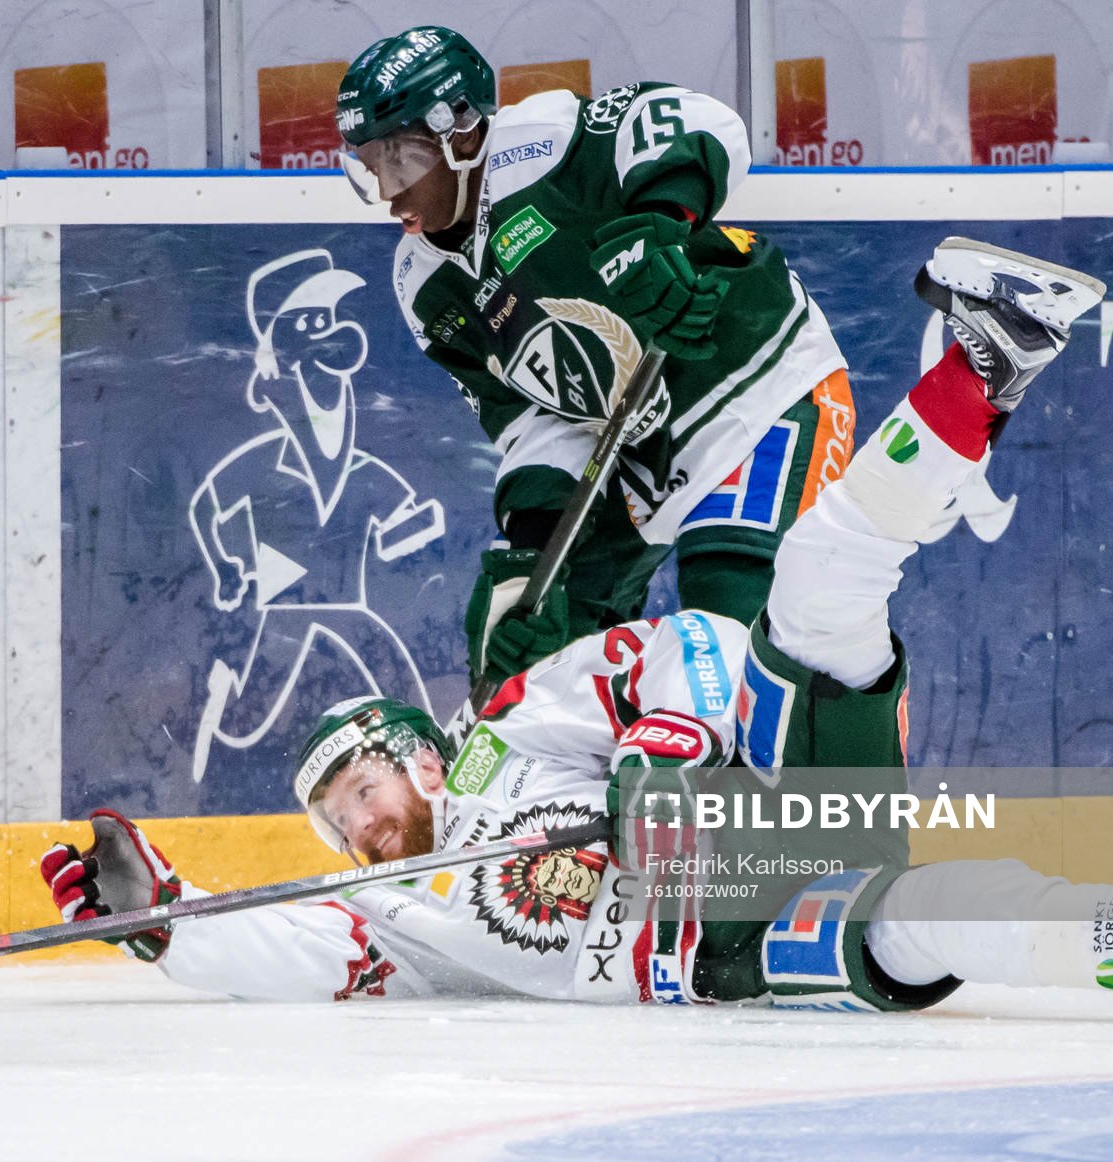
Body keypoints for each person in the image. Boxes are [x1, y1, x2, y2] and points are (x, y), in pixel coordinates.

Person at [43, 240, 1113, 1007]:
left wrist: (664, 734)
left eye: (365, 785)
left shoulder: (506, 732)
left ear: (419, 750)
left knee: (824, 570)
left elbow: (680, 646)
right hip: (717, 944)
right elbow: (274, 957)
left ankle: (981, 365)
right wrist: (155, 917)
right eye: (339, 816)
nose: (364, 822)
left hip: (772, 795)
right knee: (924, 921)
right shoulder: (393, 918)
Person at [333, 26, 856, 688]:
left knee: (740, 629)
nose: (387, 192)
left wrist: (663, 223)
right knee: (537, 650)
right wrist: (532, 544)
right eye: (369, 168)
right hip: (629, 449)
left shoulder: (538, 148)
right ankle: (594, 789)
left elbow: (696, 120)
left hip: (751, 391)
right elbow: (526, 419)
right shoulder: (422, 285)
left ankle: (805, 786)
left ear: (461, 133)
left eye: (399, 161)